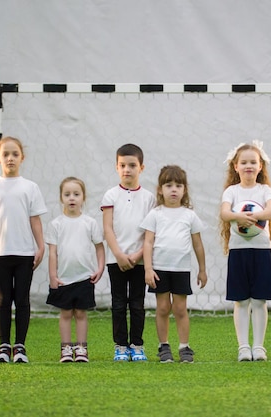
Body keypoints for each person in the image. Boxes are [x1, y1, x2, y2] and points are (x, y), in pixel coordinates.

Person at [0, 136, 47, 363]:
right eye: (5, 154)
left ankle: (20, 347)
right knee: (3, 299)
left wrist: (41, 245)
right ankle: (4, 346)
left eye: (15, 154)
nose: (10, 158)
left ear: (22, 158)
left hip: (25, 253)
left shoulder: (30, 187)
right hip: (0, 253)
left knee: (22, 300)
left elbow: (35, 219)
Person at [140, 165, 208, 363]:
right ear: (160, 189)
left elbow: (198, 244)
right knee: (162, 308)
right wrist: (148, 268)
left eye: (178, 185)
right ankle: (164, 346)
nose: (174, 189)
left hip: (181, 270)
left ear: (184, 190)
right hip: (159, 269)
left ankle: (184, 347)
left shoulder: (189, 215)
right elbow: (148, 242)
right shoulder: (155, 214)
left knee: (180, 308)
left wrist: (202, 270)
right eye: (168, 185)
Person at [220, 141, 271, 362]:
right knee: (241, 301)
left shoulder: (265, 190)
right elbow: (225, 213)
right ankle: (243, 347)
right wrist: (239, 217)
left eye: (253, 162)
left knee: (260, 301)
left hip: (262, 251)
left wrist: (257, 216)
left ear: (260, 166)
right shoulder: (231, 191)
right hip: (238, 251)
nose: (248, 166)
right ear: (235, 166)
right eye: (243, 162)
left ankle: (259, 347)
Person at [101, 143, 156, 362]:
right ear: (116, 167)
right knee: (118, 303)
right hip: (116, 261)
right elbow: (108, 228)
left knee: (137, 303)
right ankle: (120, 345)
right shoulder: (110, 195)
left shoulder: (149, 198)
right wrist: (119, 255)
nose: (127, 170)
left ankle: (137, 345)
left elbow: (151, 234)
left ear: (141, 167)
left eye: (132, 165)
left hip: (140, 261)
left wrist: (137, 256)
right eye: (123, 165)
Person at [46, 177, 105, 363]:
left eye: (76, 194)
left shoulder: (90, 223)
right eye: (67, 194)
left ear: (83, 198)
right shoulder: (56, 224)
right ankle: (66, 349)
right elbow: (52, 253)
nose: (72, 198)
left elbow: (99, 247)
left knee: (80, 313)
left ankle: (81, 348)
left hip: (84, 278)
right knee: (65, 314)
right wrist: (53, 276)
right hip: (63, 278)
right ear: (61, 198)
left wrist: (100, 268)